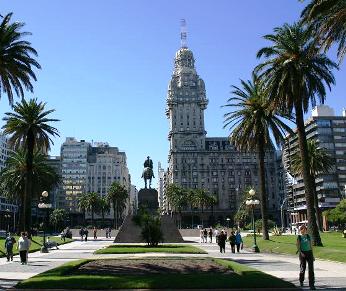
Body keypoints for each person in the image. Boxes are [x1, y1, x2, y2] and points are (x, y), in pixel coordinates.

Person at [296, 225, 315, 290]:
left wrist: (313, 255)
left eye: (304, 229)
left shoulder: (308, 236)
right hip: (302, 254)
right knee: (303, 268)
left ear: (306, 230)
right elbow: (298, 246)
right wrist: (301, 253)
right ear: (300, 230)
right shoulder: (299, 237)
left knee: (311, 269)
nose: (303, 230)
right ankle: (301, 280)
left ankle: (311, 284)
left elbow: (311, 246)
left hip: (309, 253)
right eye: (302, 229)